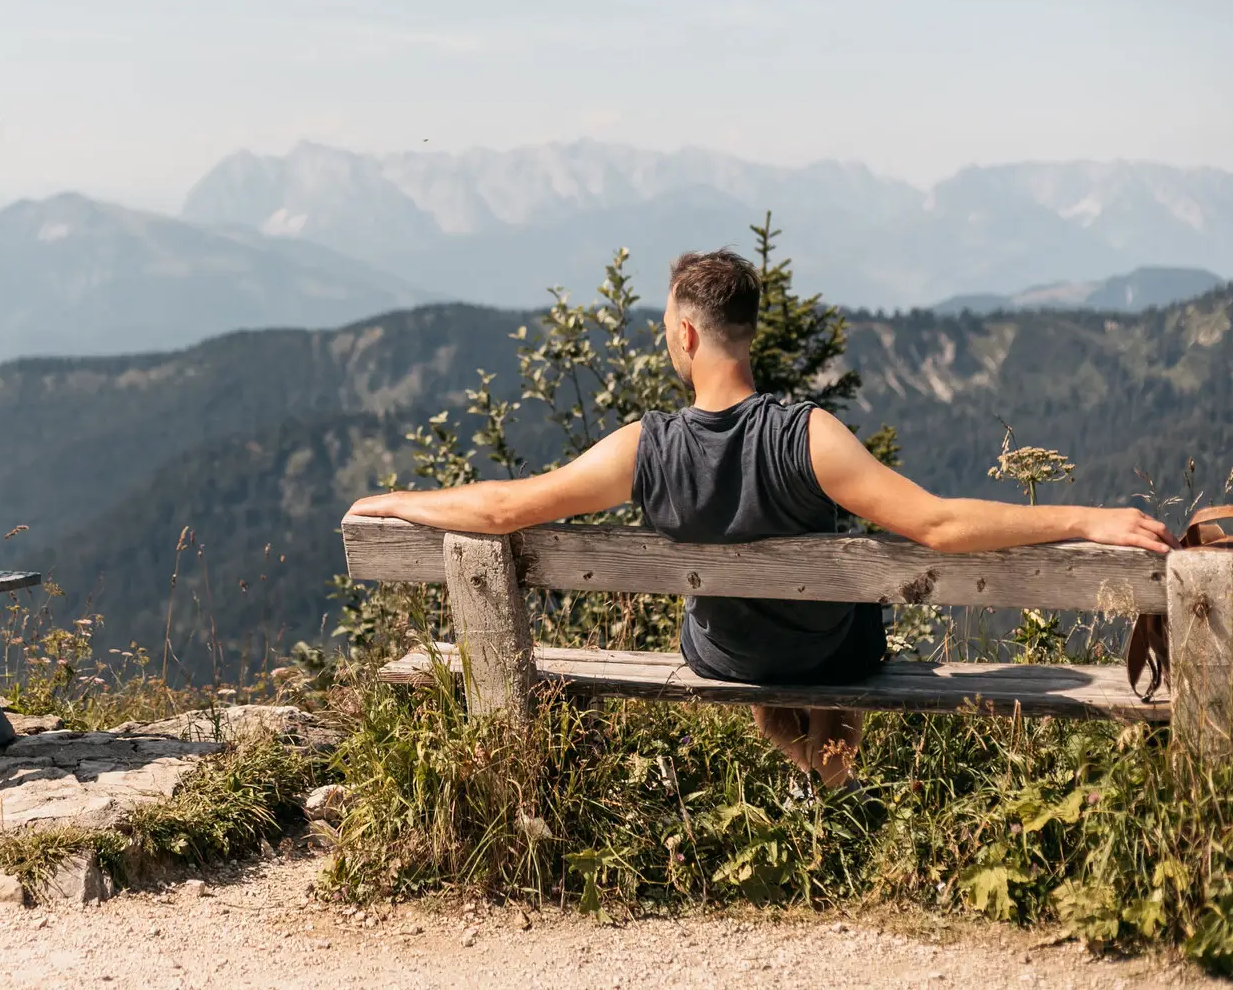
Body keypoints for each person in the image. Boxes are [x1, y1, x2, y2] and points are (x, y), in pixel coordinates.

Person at [348, 248, 1175, 789]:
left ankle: (807, 763)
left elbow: (502, 506)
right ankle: (834, 777)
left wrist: (398, 501)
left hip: (721, 656)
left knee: (732, 618)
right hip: (830, 656)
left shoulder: (646, 447)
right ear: (747, 334)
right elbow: (936, 525)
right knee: (840, 618)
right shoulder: (807, 435)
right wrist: (1086, 515)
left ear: (683, 335)